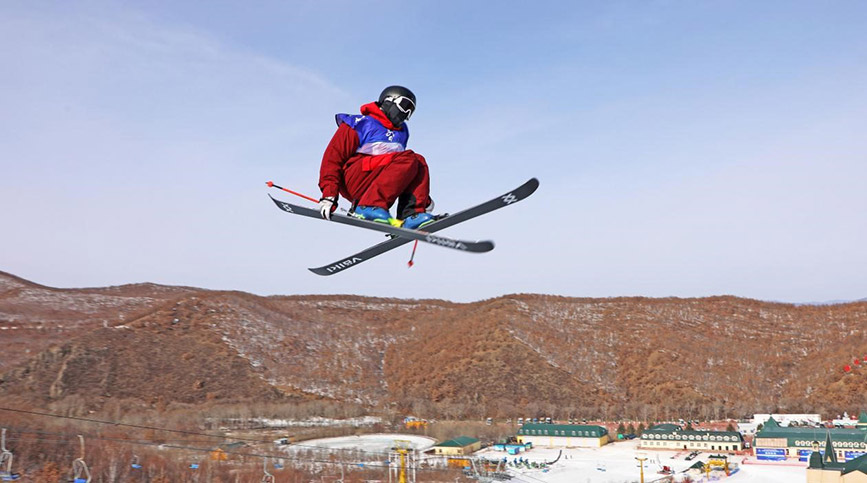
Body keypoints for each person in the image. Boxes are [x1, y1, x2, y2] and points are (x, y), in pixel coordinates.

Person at [317, 85, 436, 229]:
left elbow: (399, 174)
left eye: (411, 110)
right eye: (405, 106)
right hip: (353, 179)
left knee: (418, 161)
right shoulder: (360, 124)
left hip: (376, 180)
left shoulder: (402, 132)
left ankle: (411, 215)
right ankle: (369, 206)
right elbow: (332, 158)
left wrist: (422, 198)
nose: (407, 113)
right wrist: (329, 194)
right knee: (409, 159)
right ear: (388, 101)